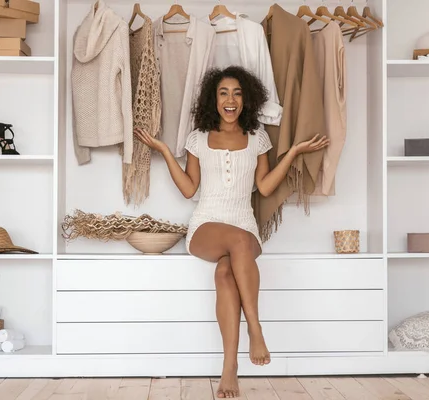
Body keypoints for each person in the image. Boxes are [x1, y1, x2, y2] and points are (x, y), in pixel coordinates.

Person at [134, 66, 329, 399]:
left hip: (244, 224)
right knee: (237, 242)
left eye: (237, 93)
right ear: (214, 98)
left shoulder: (258, 139)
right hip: (206, 225)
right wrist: (166, 151)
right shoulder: (198, 138)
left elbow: (265, 187)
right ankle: (255, 328)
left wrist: (293, 152)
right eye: (224, 92)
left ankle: (229, 369)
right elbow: (188, 189)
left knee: (226, 273)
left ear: (246, 99)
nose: (230, 99)